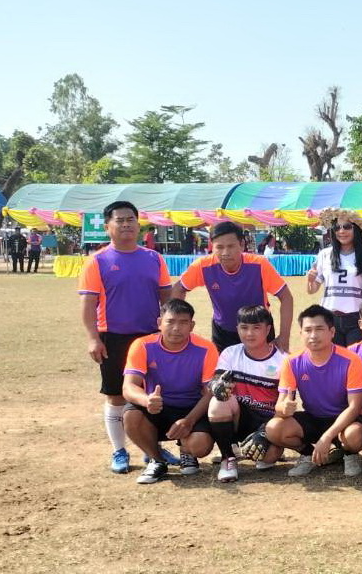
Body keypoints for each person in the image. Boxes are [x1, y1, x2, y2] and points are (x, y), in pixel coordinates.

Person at [78, 200, 173, 474]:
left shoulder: (154, 258)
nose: (126, 225)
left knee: (152, 394)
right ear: (108, 226)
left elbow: (166, 297)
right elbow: (88, 304)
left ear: (138, 224)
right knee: (116, 396)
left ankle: (152, 449)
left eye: (130, 219)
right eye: (119, 220)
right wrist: (93, 338)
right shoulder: (97, 261)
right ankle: (119, 451)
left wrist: (168, 331)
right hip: (113, 337)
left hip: (150, 337)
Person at [121, 299, 217, 484]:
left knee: (200, 446)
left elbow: (210, 392)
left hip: (192, 409)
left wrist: (189, 421)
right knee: (131, 416)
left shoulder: (206, 348)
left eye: (183, 322)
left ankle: (187, 451)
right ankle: (157, 460)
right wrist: (147, 400)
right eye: (170, 322)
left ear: (192, 326)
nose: (176, 328)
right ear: (159, 323)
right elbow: (128, 387)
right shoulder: (142, 345)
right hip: (157, 407)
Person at [267, 306, 362, 478]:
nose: (313, 335)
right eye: (308, 330)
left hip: (344, 419)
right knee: (273, 429)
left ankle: (349, 454)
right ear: (301, 333)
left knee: (355, 436)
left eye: (319, 329)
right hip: (313, 418)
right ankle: (308, 454)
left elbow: (355, 407)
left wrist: (327, 437)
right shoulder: (291, 362)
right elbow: (280, 404)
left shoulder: (351, 360)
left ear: (332, 332)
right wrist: (284, 409)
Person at [173, 221, 293, 352]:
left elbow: (286, 296)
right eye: (219, 247)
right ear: (212, 246)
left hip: (259, 330)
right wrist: (178, 326)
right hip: (223, 333)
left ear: (242, 245)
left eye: (231, 246)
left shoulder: (259, 265)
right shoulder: (203, 266)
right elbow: (178, 289)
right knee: (222, 366)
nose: (225, 252)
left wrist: (284, 337)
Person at [208, 305, 287, 482]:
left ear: (268, 329)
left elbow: (286, 404)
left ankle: (266, 444)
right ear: (237, 329)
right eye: (244, 328)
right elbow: (216, 381)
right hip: (239, 417)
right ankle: (228, 458)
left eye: (256, 327)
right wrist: (216, 386)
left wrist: (265, 433)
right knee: (218, 402)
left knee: (268, 459)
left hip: (267, 421)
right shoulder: (230, 353)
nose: (249, 333)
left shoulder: (283, 359)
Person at [306, 209, 362, 345]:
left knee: (354, 356)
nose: (341, 231)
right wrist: (310, 281)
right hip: (329, 318)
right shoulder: (325, 255)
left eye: (347, 227)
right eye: (337, 227)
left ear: (356, 229)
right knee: (332, 356)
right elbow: (312, 290)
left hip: (357, 318)